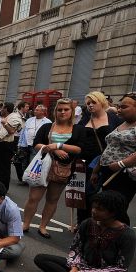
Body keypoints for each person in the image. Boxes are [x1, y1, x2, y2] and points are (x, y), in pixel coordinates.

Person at [34, 191, 135, 272]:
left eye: (100, 209)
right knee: (41, 259)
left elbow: (120, 268)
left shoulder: (127, 235)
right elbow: (75, 249)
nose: (93, 211)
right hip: (81, 267)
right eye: (93, 207)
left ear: (113, 213)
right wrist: (74, 267)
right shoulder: (87, 223)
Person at [92, 91, 136, 217]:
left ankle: (120, 234)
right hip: (107, 172)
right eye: (119, 107)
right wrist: (96, 170)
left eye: (124, 107)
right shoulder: (122, 123)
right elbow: (109, 147)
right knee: (105, 208)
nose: (119, 110)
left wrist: (120, 164)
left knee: (115, 210)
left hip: (124, 176)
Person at [22, 99, 84, 237]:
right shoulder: (47, 127)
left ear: (72, 111)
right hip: (42, 165)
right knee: (34, 197)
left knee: (52, 199)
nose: (62, 112)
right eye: (59, 109)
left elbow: (79, 149)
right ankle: (25, 224)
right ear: (55, 111)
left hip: (63, 169)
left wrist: (59, 146)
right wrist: (53, 150)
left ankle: (43, 226)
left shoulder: (78, 129)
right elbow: (36, 144)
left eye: (66, 109)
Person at [76, 91, 122, 224]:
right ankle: (83, 223)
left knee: (102, 195)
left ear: (102, 102)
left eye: (93, 102)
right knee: (84, 194)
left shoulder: (114, 119)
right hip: (85, 162)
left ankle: (101, 222)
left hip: (105, 161)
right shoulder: (85, 119)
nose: (90, 105)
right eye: (88, 103)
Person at [0, 102, 23, 190]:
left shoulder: (15, 118)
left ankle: (3, 189)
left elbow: (11, 131)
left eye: (1, 108)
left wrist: (5, 124)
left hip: (6, 145)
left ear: (6, 109)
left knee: (4, 169)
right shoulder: (5, 117)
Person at [16, 102, 51, 185]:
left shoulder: (48, 122)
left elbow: (49, 136)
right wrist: (19, 144)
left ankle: (32, 180)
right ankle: (24, 179)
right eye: (35, 109)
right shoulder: (29, 120)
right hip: (25, 145)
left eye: (37, 110)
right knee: (24, 162)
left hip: (36, 146)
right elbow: (23, 132)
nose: (35, 111)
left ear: (43, 112)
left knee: (33, 162)